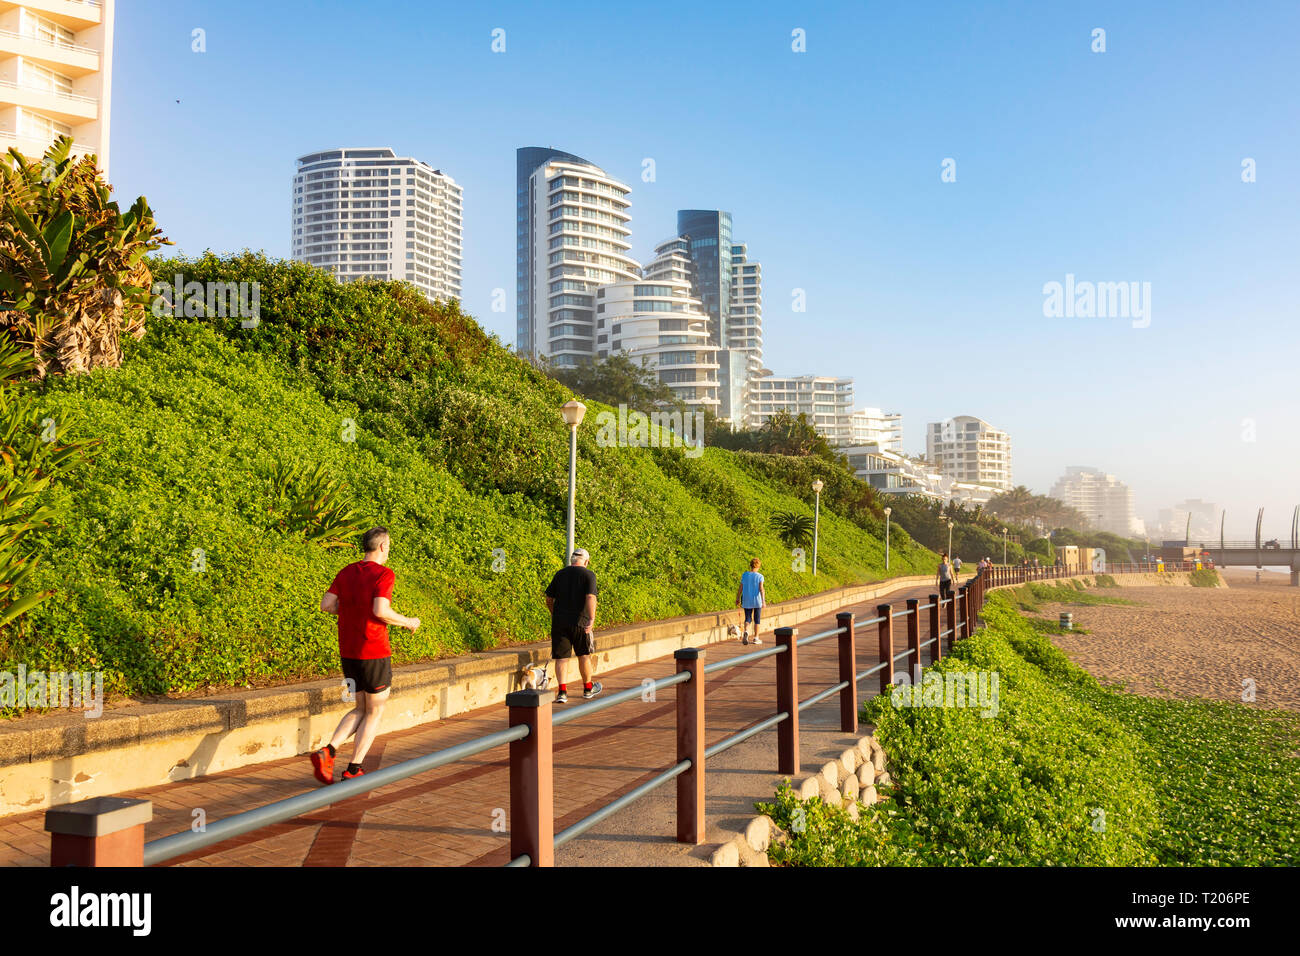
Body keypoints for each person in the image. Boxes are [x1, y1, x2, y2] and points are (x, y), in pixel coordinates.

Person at [312, 527, 420, 785]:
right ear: (383, 547)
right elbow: (381, 610)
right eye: (389, 546)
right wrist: (408, 622)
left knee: (360, 708)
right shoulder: (383, 574)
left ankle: (329, 751)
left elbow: (326, 605)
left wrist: (353, 611)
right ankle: (353, 769)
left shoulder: (347, 571)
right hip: (373, 651)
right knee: (374, 711)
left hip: (348, 651)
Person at [544, 548, 603, 704]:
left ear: (571, 560)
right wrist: (591, 618)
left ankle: (562, 692)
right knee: (584, 655)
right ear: (586, 561)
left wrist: (554, 614)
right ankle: (588, 689)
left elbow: (549, 598)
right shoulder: (588, 575)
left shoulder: (560, 574)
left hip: (560, 623)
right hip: (581, 622)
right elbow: (590, 596)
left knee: (561, 659)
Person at [735, 557, 767, 646]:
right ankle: (756, 638)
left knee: (748, 618)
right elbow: (761, 589)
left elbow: (740, 587)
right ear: (758, 566)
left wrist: (737, 598)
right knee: (757, 620)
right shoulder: (760, 576)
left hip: (746, 599)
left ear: (750, 565)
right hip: (757, 601)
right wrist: (763, 600)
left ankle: (746, 631)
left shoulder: (745, 575)